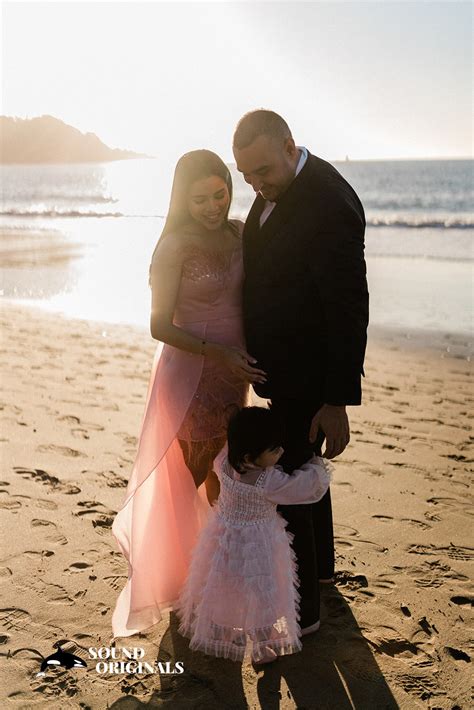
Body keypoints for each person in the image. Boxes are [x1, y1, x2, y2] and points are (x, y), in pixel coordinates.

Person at [111, 150, 265, 639]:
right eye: (200, 199)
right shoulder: (172, 246)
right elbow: (158, 325)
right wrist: (215, 352)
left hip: (233, 371)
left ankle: (218, 572)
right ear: (182, 198)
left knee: (228, 469)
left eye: (219, 193)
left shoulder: (240, 233)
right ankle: (186, 578)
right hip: (191, 373)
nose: (212, 206)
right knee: (191, 472)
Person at [232, 110, 369, 635]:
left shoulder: (328, 202)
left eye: (263, 170)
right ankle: (323, 576)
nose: (256, 184)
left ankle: (303, 614)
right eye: (246, 176)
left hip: (308, 373)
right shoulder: (275, 186)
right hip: (280, 367)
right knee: (306, 469)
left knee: (290, 477)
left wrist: (336, 400)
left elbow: (348, 306)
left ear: (290, 146)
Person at [177, 407, 333, 665]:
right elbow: (305, 487)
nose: (282, 452)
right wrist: (316, 465)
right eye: (274, 450)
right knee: (263, 593)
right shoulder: (269, 482)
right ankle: (264, 645)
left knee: (224, 585)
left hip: (223, 540)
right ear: (251, 457)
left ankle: (225, 631)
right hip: (260, 546)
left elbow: (230, 447)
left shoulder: (224, 463)